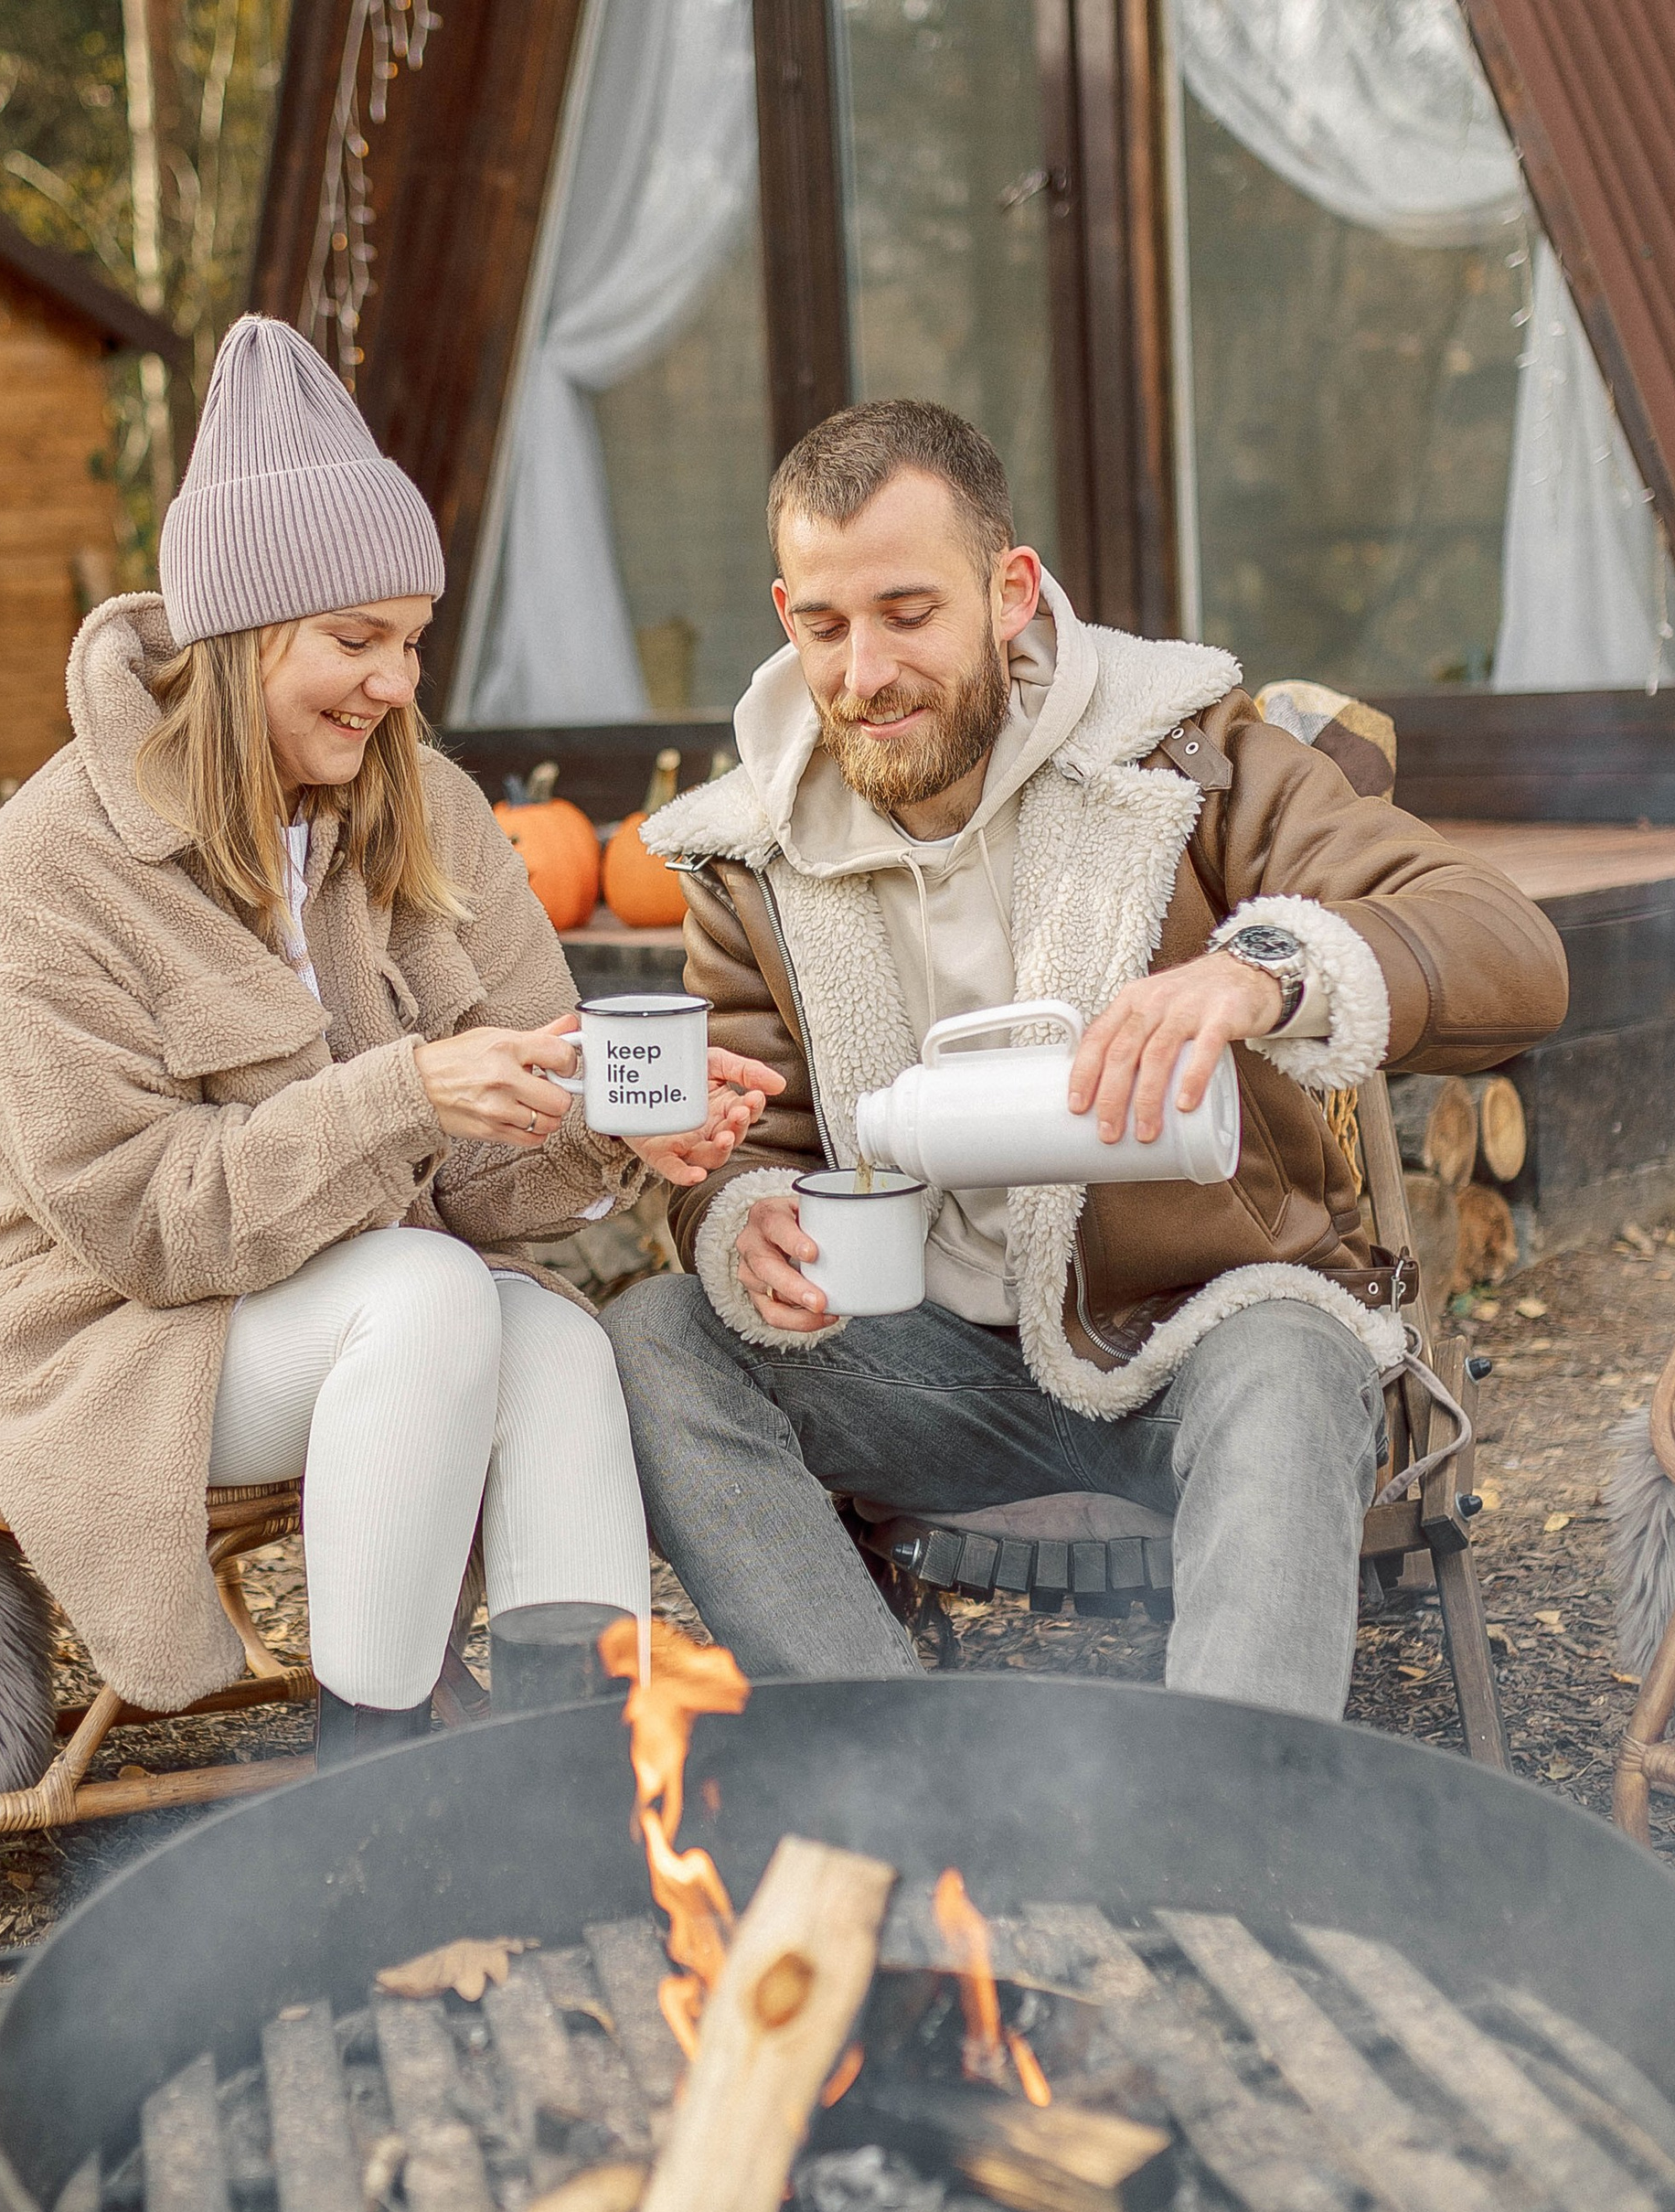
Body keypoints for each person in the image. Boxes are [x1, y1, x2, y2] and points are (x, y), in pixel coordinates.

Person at [603, 397, 1570, 1718]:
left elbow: (1509, 951)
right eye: (824, 626)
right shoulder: (745, 857)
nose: (865, 673)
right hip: (928, 1363)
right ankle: (899, 1775)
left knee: (1292, 1355)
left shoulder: (1188, 762)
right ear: (785, 613)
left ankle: (1220, 1831)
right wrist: (741, 1216)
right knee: (657, 1336)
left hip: (1206, 1338)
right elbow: (747, 1143)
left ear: (1008, 593)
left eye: (907, 612)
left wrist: (1264, 972)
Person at [0, 318, 778, 1759]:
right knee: (437, 1297)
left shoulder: (428, 813)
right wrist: (404, 1095)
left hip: (380, 1301)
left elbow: (479, 1176)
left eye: (410, 642)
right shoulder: (58, 858)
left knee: (551, 1339)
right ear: (241, 631)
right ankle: (371, 1776)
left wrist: (608, 1129)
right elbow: (141, 1224)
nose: (396, 684)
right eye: (354, 641)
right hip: (121, 1338)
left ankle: (560, 1774)